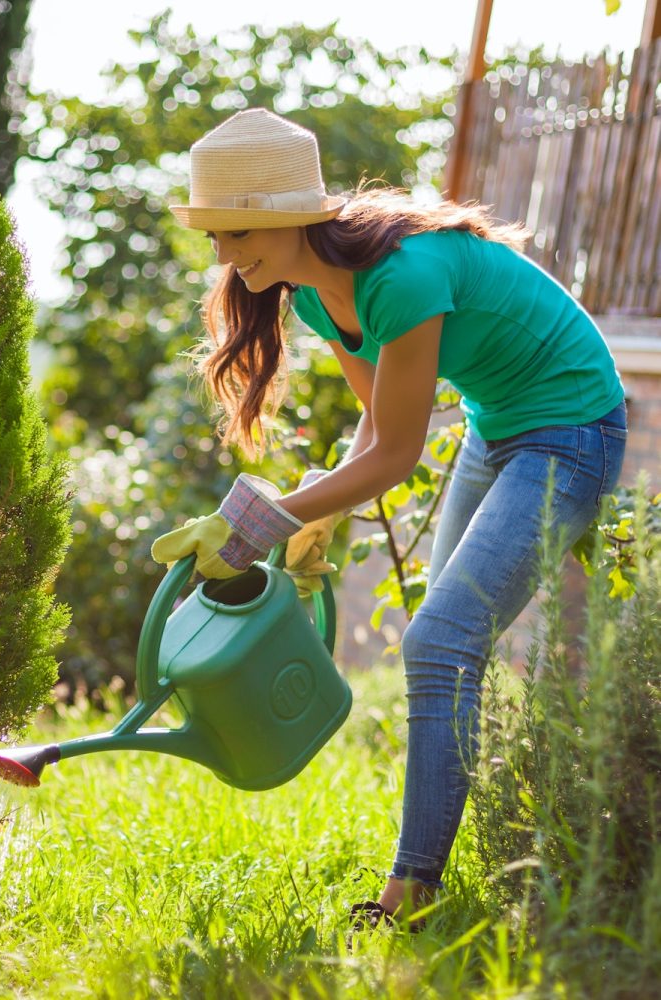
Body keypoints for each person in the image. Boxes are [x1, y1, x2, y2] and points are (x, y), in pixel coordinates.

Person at [150, 108, 627, 933]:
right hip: (497, 425)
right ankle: (449, 863)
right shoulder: (308, 300)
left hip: (573, 427)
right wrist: (315, 509)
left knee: (438, 640)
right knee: (446, 643)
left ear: (284, 216)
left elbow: (400, 456)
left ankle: (412, 894)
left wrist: (264, 518)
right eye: (214, 238)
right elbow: (377, 426)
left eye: (234, 232)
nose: (224, 257)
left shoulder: (400, 275)